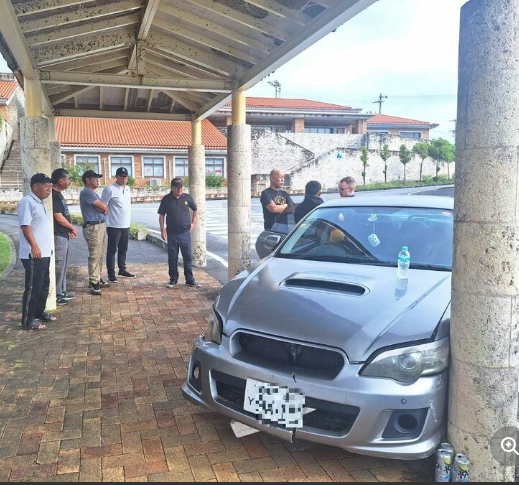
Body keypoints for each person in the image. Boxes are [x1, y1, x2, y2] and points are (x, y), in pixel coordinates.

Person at [18, 173, 56, 331]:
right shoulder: (27, 202)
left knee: (43, 285)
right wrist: (34, 246)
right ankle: (28, 320)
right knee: (33, 287)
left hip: (45, 253)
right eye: (46, 186)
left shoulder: (40, 203)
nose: (49, 190)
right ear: (35, 187)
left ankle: (39, 313)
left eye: (50, 187)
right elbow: (25, 226)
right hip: (33, 254)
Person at [158, 177, 200, 289]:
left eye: (181, 187)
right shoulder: (166, 199)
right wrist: (162, 230)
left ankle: (189, 280)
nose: (180, 189)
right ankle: (173, 279)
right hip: (172, 233)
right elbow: (161, 216)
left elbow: (195, 209)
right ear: (172, 188)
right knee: (172, 257)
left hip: (185, 233)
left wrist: (193, 223)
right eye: (177, 187)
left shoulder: (187, 198)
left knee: (187, 257)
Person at [101, 167, 136, 283]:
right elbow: (102, 205)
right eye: (121, 176)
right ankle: (111, 273)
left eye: (125, 176)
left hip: (125, 224)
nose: (124, 178)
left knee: (123, 249)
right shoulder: (109, 189)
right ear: (116, 176)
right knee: (112, 250)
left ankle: (122, 269)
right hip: (113, 225)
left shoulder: (128, 189)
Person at [80, 170, 109, 296]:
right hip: (93, 227)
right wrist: (103, 207)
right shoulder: (86, 192)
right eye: (95, 178)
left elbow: (104, 208)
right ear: (88, 180)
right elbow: (103, 207)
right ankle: (93, 281)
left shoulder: (94, 194)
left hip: (100, 225)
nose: (98, 180)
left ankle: (97, 277)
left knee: (100, 254)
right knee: (95, 254)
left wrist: (103, 207)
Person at [52, 168, 77, 306]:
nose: (69, 182)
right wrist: (72, 227)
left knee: (63, 264)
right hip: (58, 234)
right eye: (67, 179)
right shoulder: (54, 195)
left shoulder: (59, 195)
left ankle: (62, 291)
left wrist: (70, 228)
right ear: (61, 181)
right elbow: (59, 217)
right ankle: (57, 294)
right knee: (59, 264)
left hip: (64, 234)